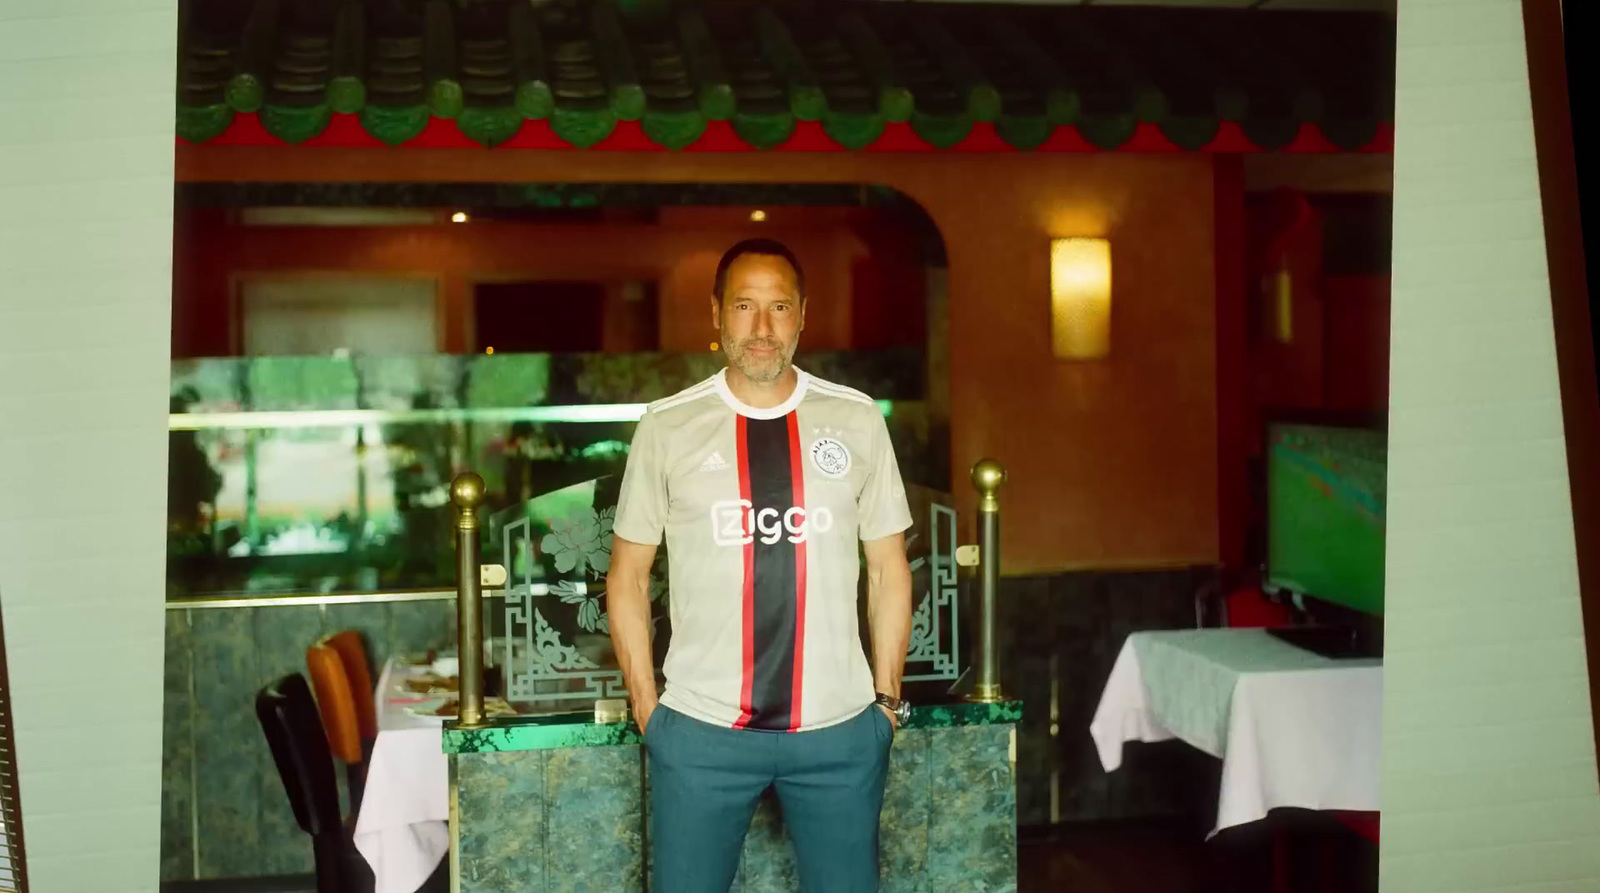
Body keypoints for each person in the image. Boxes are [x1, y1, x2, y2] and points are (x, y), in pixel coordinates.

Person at [607, 238, 915, 893]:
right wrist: (648, 708)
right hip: (701, 732)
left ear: (803, 314)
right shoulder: (668, 426)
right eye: (745, 306)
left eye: (779, 307)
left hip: (839, 732)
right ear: (716, 314)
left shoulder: (855, 419)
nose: (763, 327)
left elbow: (888, 567)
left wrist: (885, 702)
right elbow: (627, 575)